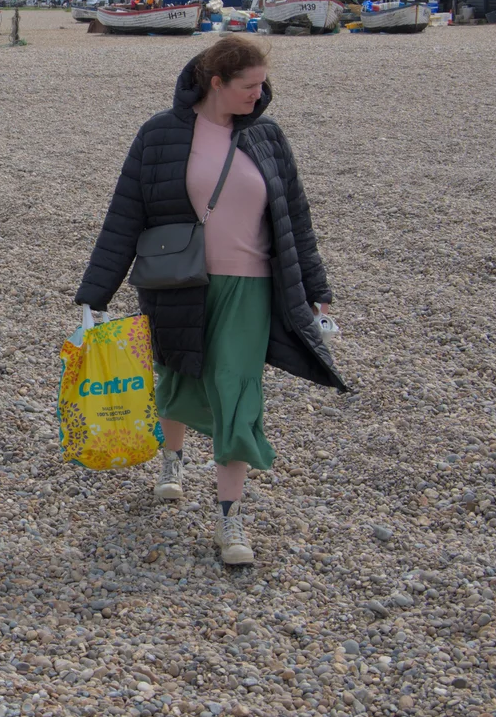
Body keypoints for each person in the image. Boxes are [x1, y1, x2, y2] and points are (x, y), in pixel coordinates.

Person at [74, 35, 345, 566]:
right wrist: (95, 296)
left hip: (252, 289)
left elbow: (296, 218)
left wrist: (317, 292)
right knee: (178, 374)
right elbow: (124, 215)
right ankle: (172, 460)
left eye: (263, 84)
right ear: (216, 83)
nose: (260, 94)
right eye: (250, 85)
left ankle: (230, 520)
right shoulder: (159, 135)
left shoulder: (267, 137)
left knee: (236, 390)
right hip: (177, 282)